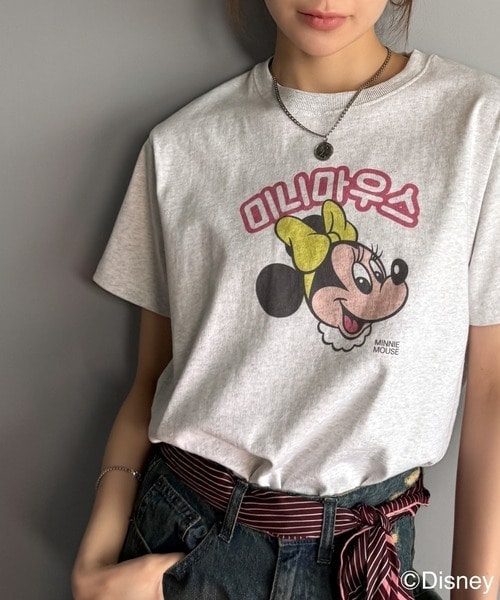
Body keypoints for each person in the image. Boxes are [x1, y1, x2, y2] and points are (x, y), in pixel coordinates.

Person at [72, 0, 500, 598]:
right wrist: (93, 563)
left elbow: (490, 391)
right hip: (188, 536)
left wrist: (477, 590)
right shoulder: (181, 146)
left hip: (367, 553)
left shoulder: (478, 124)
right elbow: (151, 381)